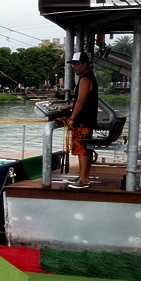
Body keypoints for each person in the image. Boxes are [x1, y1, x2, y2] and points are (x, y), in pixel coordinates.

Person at [58, 51, 99, 189]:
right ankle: (84, 176)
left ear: (85, 64)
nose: (74, 67)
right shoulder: (90, 77)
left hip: (82, 121)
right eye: (73, 64)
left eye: (77, 64)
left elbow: (81, 101)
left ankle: (83, 180)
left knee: (81, 149)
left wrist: (72, 118)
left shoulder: (84, 79)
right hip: (88, 121)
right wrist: (67, 107)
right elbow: (82, 100)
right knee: (86, 149)